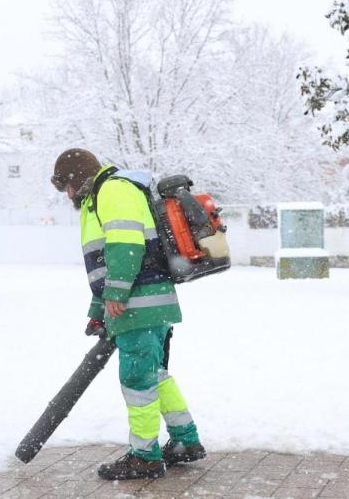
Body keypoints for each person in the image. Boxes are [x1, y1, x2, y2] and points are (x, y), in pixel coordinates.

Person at [51, 147, 206, 480]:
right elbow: (105, 262)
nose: (66, 194)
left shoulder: (113, 190)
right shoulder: (103, 195)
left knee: (137, 380)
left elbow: (126, 244)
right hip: (145, 302)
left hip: (139, 303)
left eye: (66, 185)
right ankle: (185, 441)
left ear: (78, 179)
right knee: (155, 375)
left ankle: (144, 457)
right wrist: (99, 309)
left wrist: (117, 292)